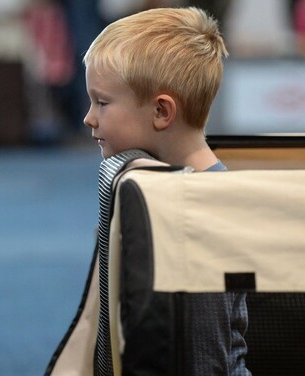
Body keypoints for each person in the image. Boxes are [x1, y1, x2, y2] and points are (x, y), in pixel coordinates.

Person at [52, 7, 250, 375]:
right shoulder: (156, 187)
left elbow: (206, 359)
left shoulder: (201, 214)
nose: (88, 117)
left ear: (161, 111)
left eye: (102, 102)